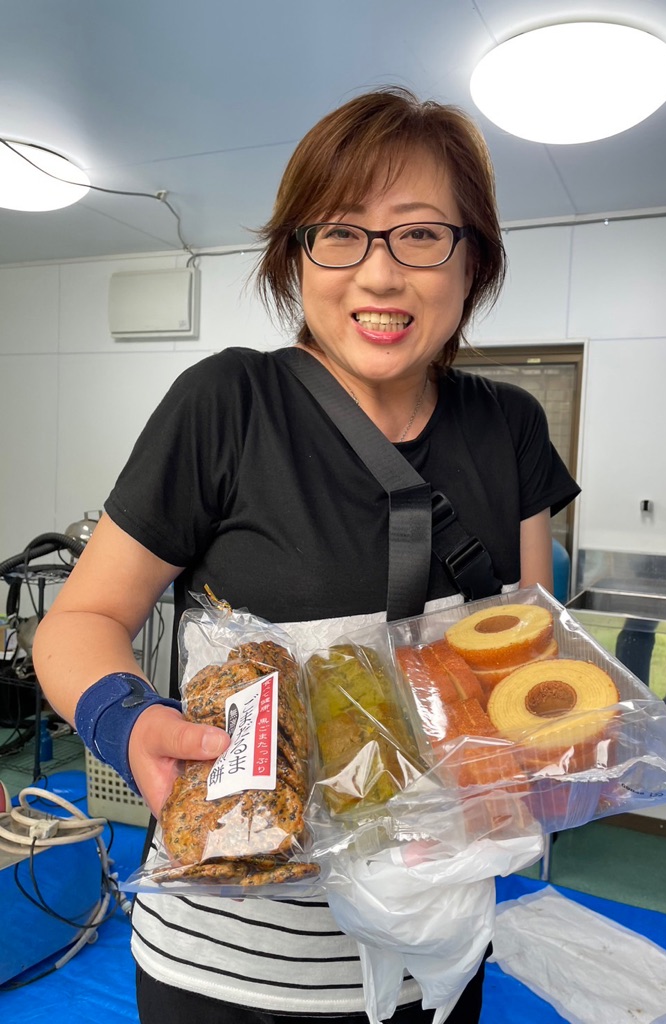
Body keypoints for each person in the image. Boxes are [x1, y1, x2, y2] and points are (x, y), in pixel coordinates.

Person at [33, 87, 580, 1024]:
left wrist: (544, 748)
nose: (380, 273)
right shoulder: (227, 404)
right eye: (340, 233)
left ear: (474, 259)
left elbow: (517, 647)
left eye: (421, 234)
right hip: (233, 960)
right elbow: (81, 619)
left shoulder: (511, 427)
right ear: (296, 256)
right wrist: (126, 719)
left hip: (439, 947)